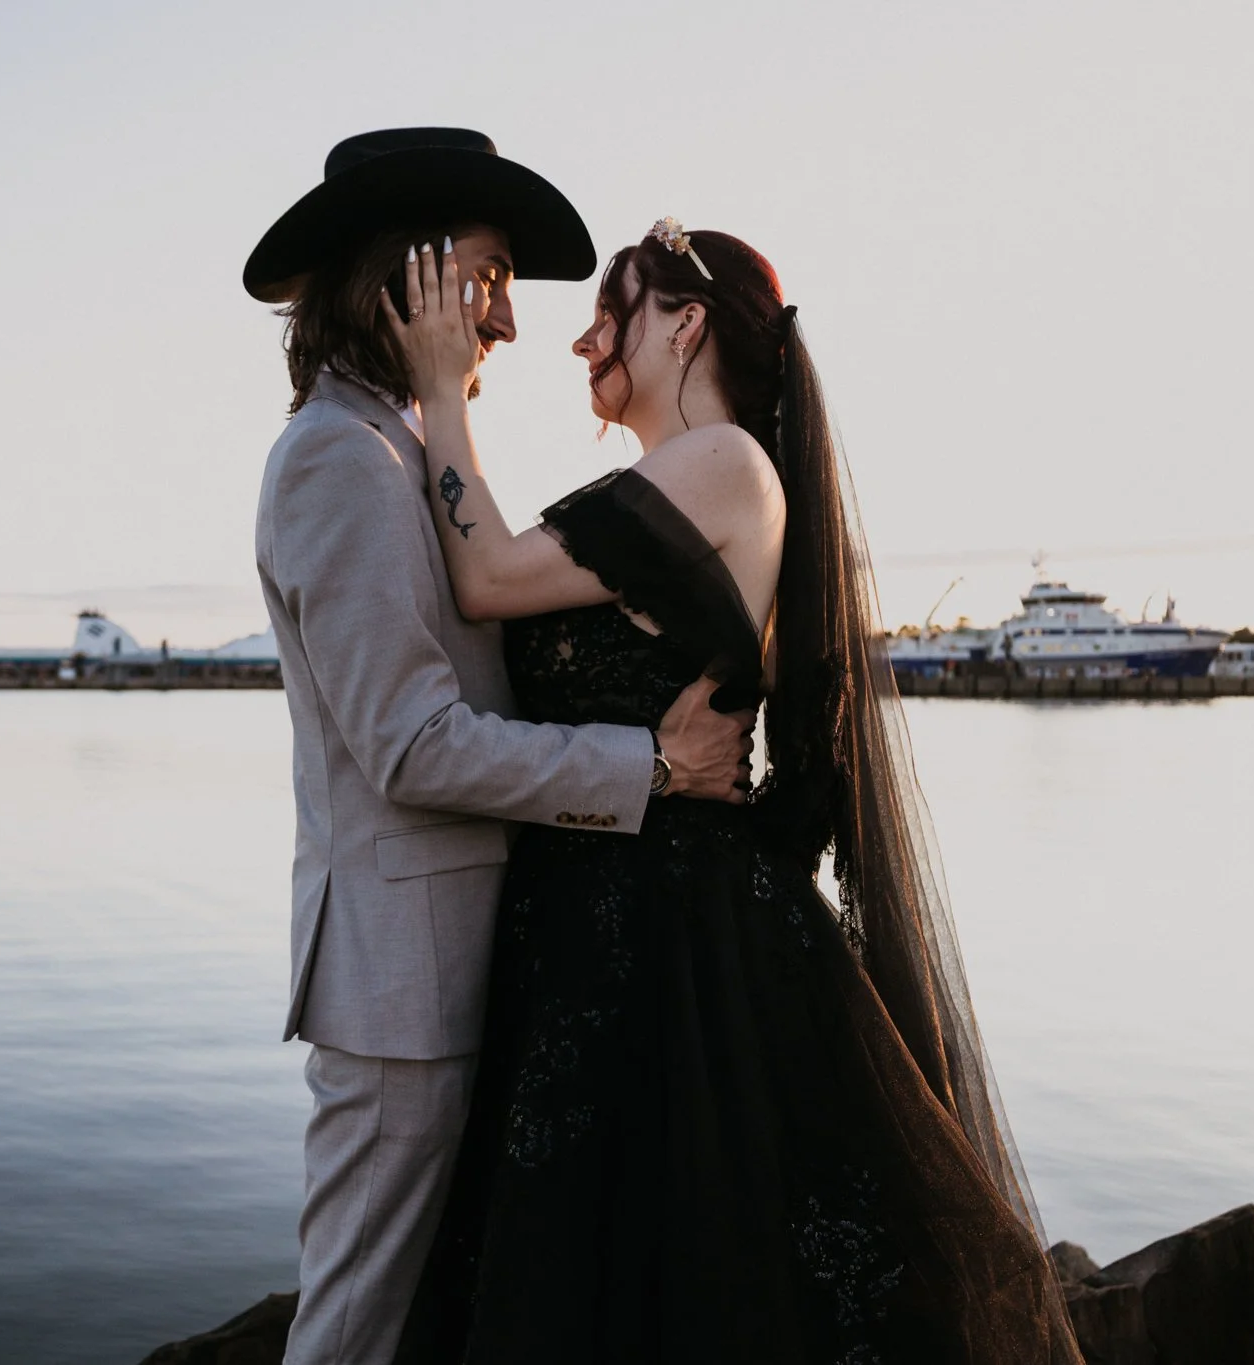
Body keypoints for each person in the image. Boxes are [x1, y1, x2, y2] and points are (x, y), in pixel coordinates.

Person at [384, 226, 1085, 1363]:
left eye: (610, 313)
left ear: (685, 324)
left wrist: (434, 387)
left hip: (667, 942)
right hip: (594, 928)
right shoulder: (669, 481)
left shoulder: (724, 466)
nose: (582, 341)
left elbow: (486, 574)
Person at [244, 131, 756, 1365]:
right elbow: (412, 747)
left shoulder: (401, 450)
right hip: (401, 990)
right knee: (354, 1333)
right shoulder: (338, 459)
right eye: (485, 278)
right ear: (403, 279)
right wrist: (647, 767)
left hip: (477, 967)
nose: (510, 323)